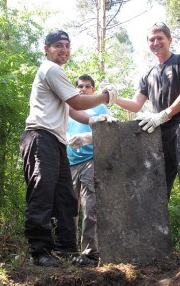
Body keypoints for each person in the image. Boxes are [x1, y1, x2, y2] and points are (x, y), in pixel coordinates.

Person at [108, 22, 180, 263]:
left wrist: (165, 114)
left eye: (159, 38)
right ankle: (152, 244)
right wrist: (114, 98)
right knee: (157, 185)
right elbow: (137, 105)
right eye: (151, 39)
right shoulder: (148, 75)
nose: (155, 42)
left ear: (169, 39)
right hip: (159, 132)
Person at [19, 30, 117, 267]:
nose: (64, 50)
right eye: (57, 45)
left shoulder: (57, 74)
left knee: (65, 197)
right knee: (42, 193)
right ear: (46, 49)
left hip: (56, 142)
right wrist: (105, 97)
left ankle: (67, 250)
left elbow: (72, 110)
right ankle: (39, 251)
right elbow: (76, 101)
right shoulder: (51, 69)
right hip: (40, 137)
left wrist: (92, 121)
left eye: (67, 45)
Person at [66, 74, 114, 266]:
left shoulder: (100, 107)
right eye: (79, 86)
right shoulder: (69, 107)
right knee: (68, 209)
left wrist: (88, 136)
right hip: (68, 163)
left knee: (90, 207)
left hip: (89, 161)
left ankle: (90, 254)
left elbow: (110, 130)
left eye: (87, 86)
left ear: (93, 90)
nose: (83, 89)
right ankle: (68, 251)